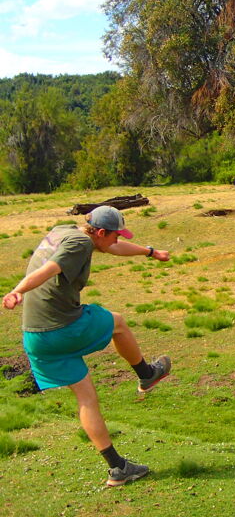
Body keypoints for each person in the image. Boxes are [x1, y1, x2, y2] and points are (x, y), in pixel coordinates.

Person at [2, 206, 172, 487]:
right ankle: (147, 374)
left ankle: (118, 468)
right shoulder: (81, 244)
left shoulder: (65, 232)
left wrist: (150, 252)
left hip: (36, 337)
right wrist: (18, 291)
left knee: (86, 398)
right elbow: (50, 269)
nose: (117, 240)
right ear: (101, 232)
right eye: (115, 235)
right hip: (63, 328)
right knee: (117, 323)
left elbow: (113, 248)